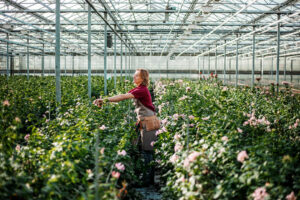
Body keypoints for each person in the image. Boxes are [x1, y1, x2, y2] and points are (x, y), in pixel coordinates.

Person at [93, 68, 160, 186]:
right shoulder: (139, 89)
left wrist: (105, 100)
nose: (134, 78)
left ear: (143, 79)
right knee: (140, 148)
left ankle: (148, 181)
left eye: (136, 76)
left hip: (148, 123)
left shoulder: (142, 90)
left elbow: (123, 96)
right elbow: (123, 95)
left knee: (147, 151)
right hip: (144, 121)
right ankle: (144, 176)